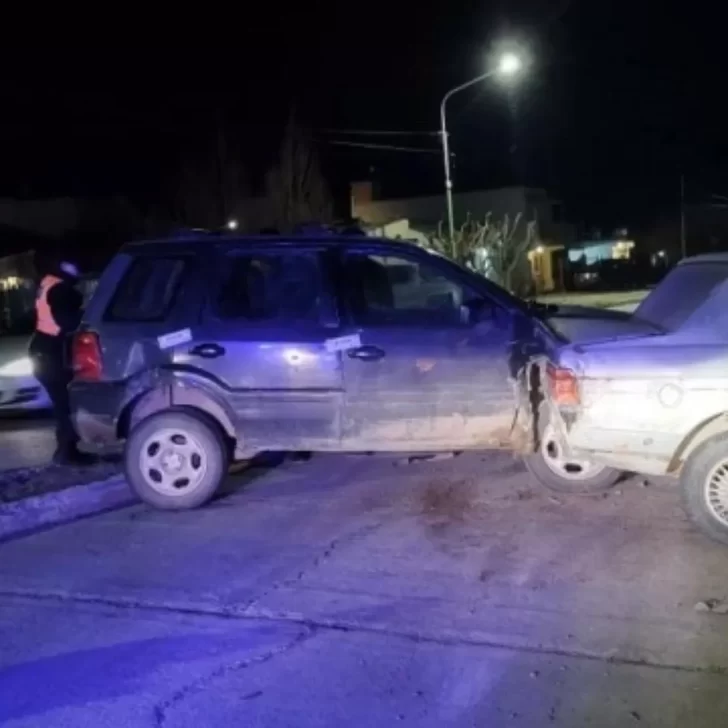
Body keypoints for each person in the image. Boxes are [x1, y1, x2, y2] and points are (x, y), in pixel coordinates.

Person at [29, 260, 92, 465]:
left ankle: (67, 450)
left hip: (45, 351)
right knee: (64, 404)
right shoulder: (59, 289)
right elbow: (67, 322)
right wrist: (87, 317)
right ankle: (66, 453)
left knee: (63, 404)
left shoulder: (49, 284)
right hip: (50, 353)